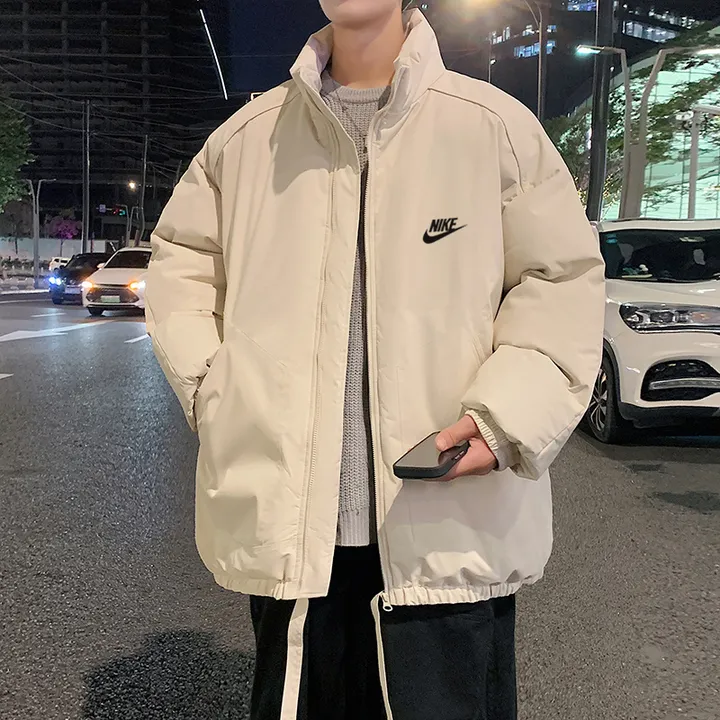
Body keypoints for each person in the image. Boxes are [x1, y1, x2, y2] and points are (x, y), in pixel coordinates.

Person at [145, 1, 606, 718]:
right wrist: (215, 391)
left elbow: (560, 280)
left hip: (449, 524)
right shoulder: (246, 141)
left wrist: (504, 419)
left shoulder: (493, 129)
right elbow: (182, 269)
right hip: (295, 530)